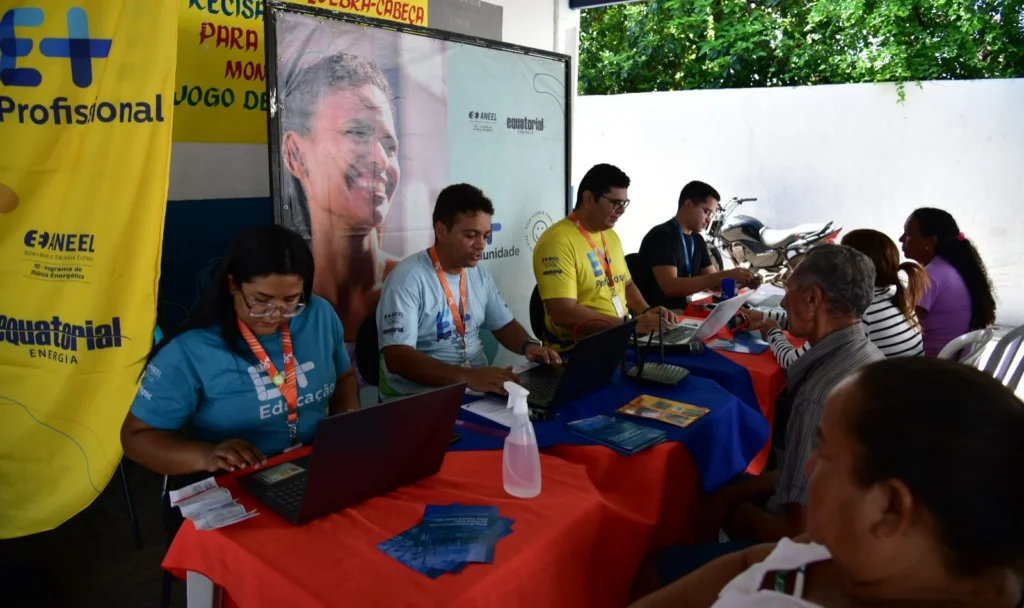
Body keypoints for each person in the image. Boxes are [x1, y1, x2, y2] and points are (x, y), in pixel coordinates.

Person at [632, 357, 1024, 608]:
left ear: (888, 508)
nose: (807, 467)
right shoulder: (853, 554)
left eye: (824, 454)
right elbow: (761, 558)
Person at [121, 225, 360, 476]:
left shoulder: (318, 315)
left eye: (290, 300)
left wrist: (346, 424)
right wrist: (207, 455)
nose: (275, 314)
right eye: (261, 300)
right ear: (233, 284)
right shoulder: (190, 349)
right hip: (233, 476)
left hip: (313, 464)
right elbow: (136, 437)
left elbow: (344, 378)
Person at [699, 245, 883, 548]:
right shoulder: (867, 354)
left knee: (656, 565)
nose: (784, 301)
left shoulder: (820, 398)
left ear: (812, 299)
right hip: (851, 522)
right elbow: (797, 473)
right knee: (724, 489)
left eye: (789, 292)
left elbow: (795, 533)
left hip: (806, 551)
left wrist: (735, 512)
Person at [377, 184, 561, 399]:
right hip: (422, 397)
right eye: (471, 235)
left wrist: (528, 345)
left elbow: (503, 324)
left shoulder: (478, 274)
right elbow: (397, 358)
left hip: (475, 390)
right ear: (441, 231)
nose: (481, 244)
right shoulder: (407, 279)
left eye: (485, 236)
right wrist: (469, 377)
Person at [280, 52, 402, 346]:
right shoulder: (276, 303)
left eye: (389, 145)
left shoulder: (412, 285)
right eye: (357, 133)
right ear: (296, 154)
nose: (381, 160)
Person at [532, 163, 676, 352]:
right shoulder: (557, 241)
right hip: (580, 349)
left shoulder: (610, 235)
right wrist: (627, 327)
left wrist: (646, 311)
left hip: (622, 338)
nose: (621, 210)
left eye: (624, 203)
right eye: (615, 202)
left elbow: (627, 284)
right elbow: (563, 312)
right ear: (589, 199)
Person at [749, 229, 926, 367]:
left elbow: (794, 362)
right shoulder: (893, 295)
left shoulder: (860, 311)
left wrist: (773, 333)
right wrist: (765, 317)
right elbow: (815, 319)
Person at [635, 181, 757, 310]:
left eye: (711, 214)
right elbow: (670, 287)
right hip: (660, 316)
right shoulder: (662, 236)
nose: (709, 219)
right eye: (706, 212)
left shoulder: (697, 240)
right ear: (688, 204)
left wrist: (742, 281)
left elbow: (715, 285)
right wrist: (725, 275)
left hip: (684, 312)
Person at [900, 208, 996, 356]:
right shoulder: (958, 267)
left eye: (908, 234)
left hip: (935, 368)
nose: (901, 239)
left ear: (931, 241)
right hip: (959, 363)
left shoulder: (928, 276)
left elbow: (902, 328)